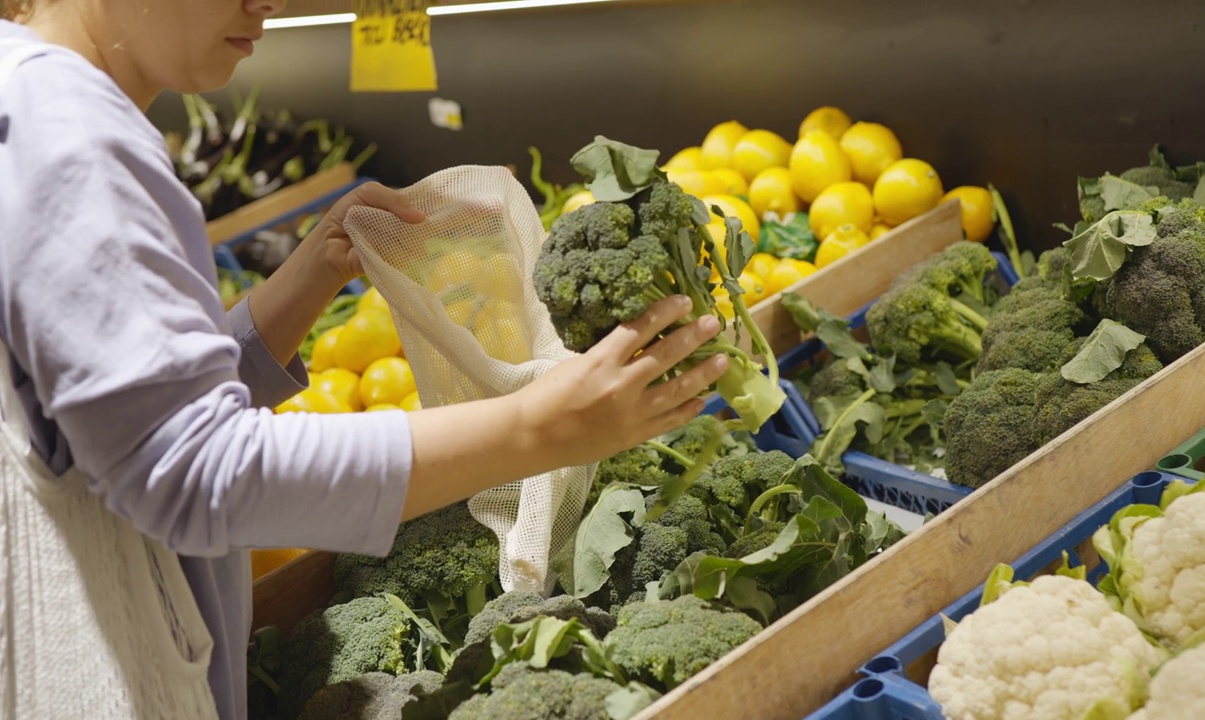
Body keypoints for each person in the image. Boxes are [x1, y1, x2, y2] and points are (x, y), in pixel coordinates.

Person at [0, 0, 729, 718]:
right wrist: (536, 429)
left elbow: (128, 422)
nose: (269, 3)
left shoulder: (30, 99)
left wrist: (313, 268)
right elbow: (194, 469)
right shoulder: (74, 140)